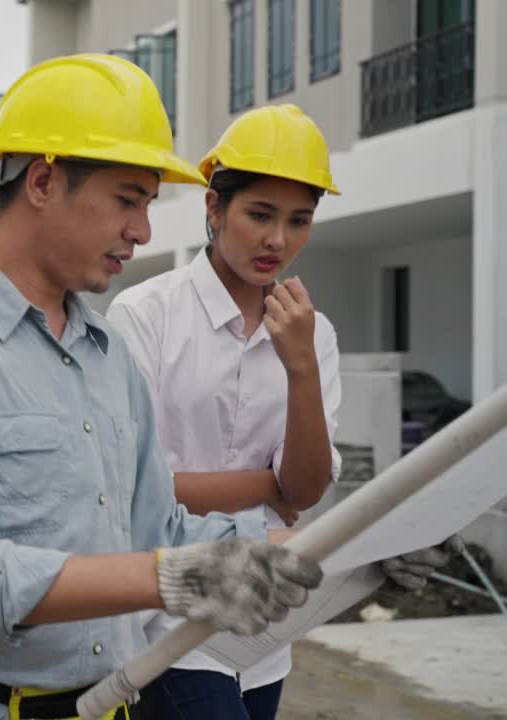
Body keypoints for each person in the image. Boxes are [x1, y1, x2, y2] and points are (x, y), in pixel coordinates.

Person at [0, 55, 327, 720]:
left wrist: (353, 547)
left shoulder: (108, 357)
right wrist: (172, 578)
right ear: (43, 181)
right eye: (128, 200)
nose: (143, 230)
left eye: (149, 205)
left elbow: (160, 526)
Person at [106, 104, 455, 720]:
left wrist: (300, 366)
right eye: (259, 214)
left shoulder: (312, 334)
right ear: (214, 209)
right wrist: (267, 488)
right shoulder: (144, 318)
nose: (278, 240)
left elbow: (308, 487)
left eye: (299, 220)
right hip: (170, 619)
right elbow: (136, 495)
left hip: (266, 625)